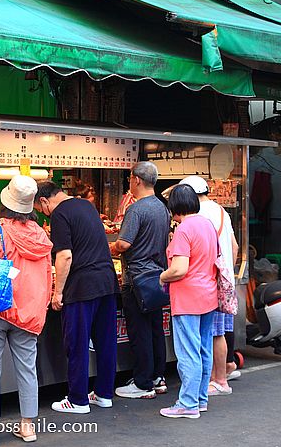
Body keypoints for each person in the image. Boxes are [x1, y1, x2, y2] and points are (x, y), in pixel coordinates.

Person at [0, 175, 53, 446]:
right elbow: (47, 277)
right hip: (28, 312)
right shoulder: (41, 235)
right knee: (28, 369)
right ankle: (27, 427)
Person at [34, 180, 119, 414]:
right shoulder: (86, 206)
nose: (44, 215)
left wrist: (57, 292)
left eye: (42, 210)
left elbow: (65, 256)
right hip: (107, 281)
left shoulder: (60, 214)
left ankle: (78, 399)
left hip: (81, 286)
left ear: (44, 201)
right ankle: (104, 394)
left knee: (77, 343)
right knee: (105, 342)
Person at [111, 162, 170, 399]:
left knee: (139, 331)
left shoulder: (137, 210)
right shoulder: (161, 208)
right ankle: (157, 377)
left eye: (129, 180)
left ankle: (143, 383)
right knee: (155, 328)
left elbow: (124, 243)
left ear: (136, 179)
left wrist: (109, 247)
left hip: (136, 278)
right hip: (156, 277)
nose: (129, 184)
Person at [159, 184, 218, 419]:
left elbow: (179, 269)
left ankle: (188, 404)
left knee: (188, 352)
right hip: (208, 295)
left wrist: (161, 276)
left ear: (174, 206)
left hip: (187, 298)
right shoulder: (207, 225)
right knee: (204, 349)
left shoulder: (184, 230)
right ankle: (200, 398)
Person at [180, 176, 240, 397]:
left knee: (213, 333)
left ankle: (220, 380)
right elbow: (234, 247)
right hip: (222, 281)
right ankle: (223, 371)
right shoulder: (221, 211)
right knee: (220, 331)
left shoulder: (198, 215)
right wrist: (226, 276)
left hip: (207, 283)